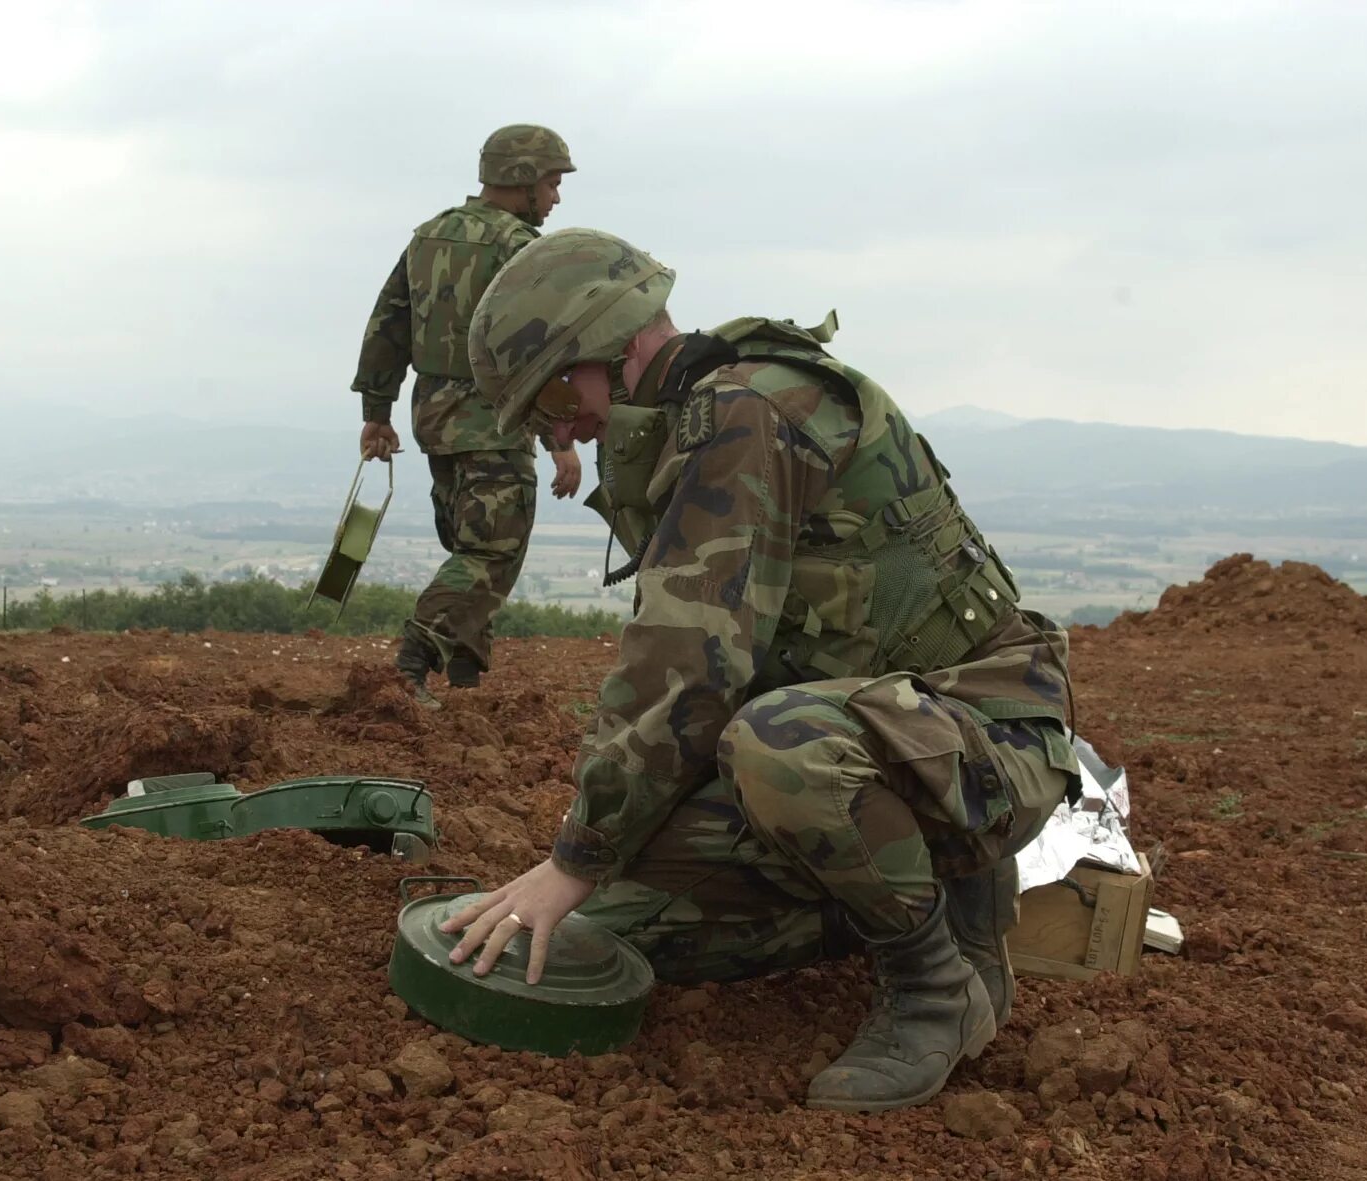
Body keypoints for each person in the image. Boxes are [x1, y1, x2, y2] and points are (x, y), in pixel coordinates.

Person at [441, 228, 1083, 1113]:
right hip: (897, 739)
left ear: (618, 345)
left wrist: (575, 855)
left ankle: (938, 987)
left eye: (556, 391)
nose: (562, 427)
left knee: (776, 748)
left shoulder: (745, 412)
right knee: (636, 908)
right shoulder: (690, 416)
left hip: (986, 735)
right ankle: (915, 894)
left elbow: (686, 667)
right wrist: (603, 863)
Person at [350, 124, 583, 706]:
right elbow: (542, 350)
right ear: (524, 180)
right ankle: (413, 662)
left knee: (469, 543)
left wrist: (377, 411)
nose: (556, 198)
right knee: (491, 551)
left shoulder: (428, 237)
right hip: (492, 420)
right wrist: (561, 437)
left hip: (435, 416)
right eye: (553, 183)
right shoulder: (521, 249)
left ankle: (464, 674)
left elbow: (388, 324)